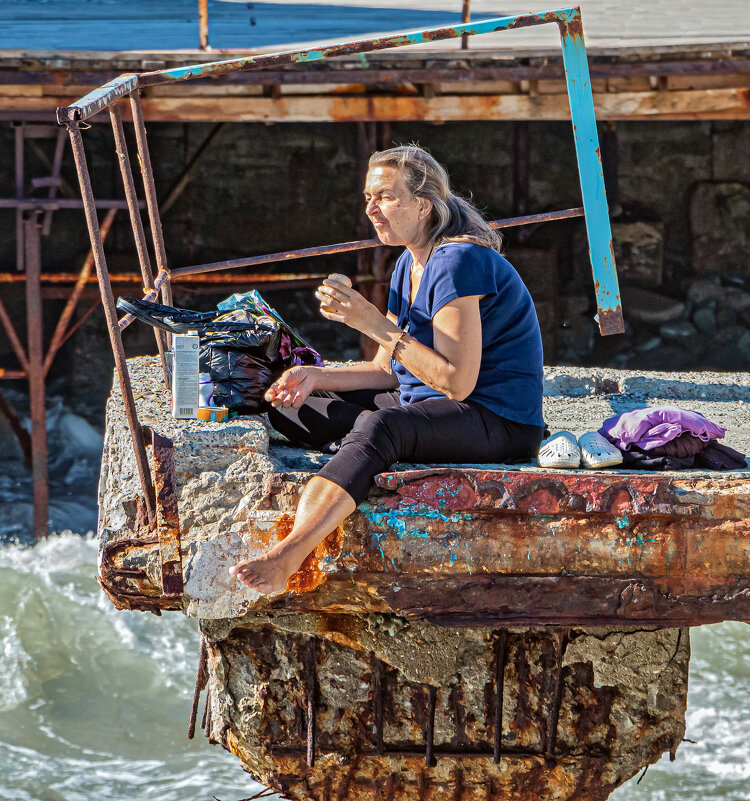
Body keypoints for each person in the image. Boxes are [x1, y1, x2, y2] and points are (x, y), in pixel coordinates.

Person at [229, 144, 545, 593]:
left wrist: (371, 322)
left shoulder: (458, 261)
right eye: (368, 198)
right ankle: (368, 447)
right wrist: (317, 377)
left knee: (383, 426)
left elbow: (457, 382)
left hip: (497, 419)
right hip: (430, 403)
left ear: (424, 204)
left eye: (384, 197)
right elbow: (388, 370)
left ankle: (290, 553)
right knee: (289, 406)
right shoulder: (406, 262)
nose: (372, 210)